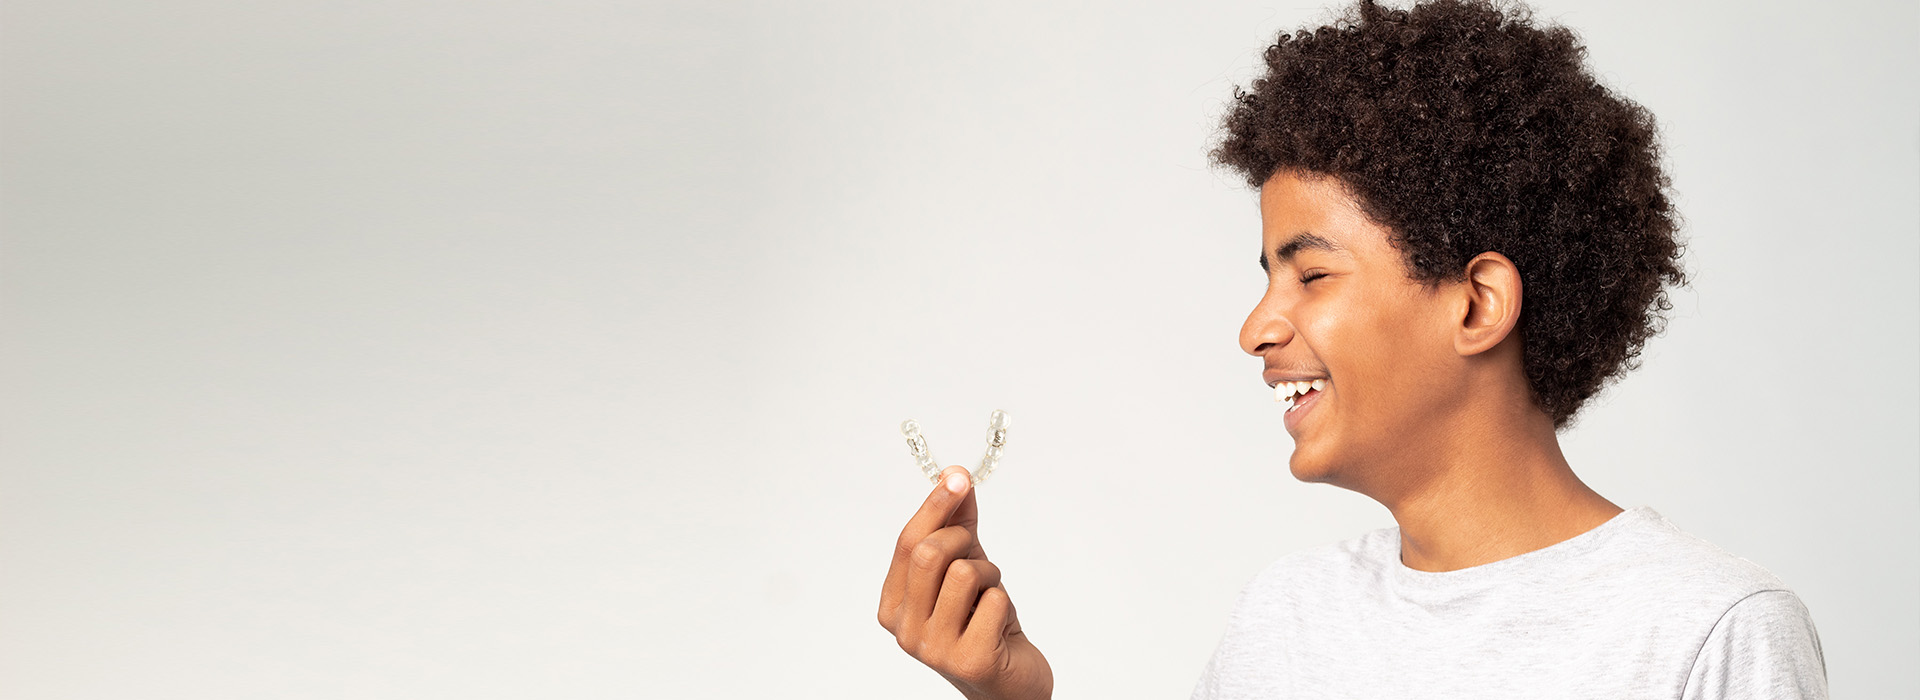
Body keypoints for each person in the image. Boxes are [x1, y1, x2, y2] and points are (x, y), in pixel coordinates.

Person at [874, 1, 1828, 698]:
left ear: (1477, 302)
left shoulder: (1709, 633)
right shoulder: (1286, 621)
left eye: (1311, 274)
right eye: (1266, 276)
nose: (1256, 327)